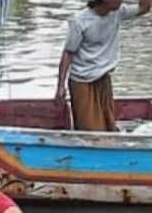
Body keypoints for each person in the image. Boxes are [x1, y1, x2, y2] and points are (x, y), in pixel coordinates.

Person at [56, 0, 151, 132]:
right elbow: (68, 54)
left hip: (103, 78)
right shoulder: (80, 21)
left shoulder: (117, 13)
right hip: (82, 81)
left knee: (108, 126)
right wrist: (61, 86)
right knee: (89, 129)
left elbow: (144, 8)